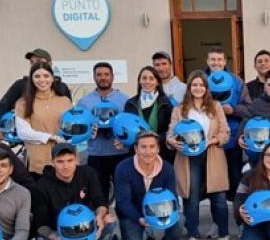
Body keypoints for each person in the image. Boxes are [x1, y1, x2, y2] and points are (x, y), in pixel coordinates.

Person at [166, 71, 232, 240]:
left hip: (212, 155)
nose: (198, 88)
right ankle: (193, 237)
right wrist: (171, 141)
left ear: (206, 88)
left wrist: (210, 142)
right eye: (194, 84)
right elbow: (170, 134)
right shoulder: (179, 109)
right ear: (189, 87)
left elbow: (225, 133)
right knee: (191, 199)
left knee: (219, 198)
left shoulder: (216, 107)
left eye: (201, 85)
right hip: (188, 158)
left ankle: (223, 236)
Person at [32, 143, 117, 240]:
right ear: (52, 162)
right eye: (60, 162)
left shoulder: (88, 173)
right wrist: (55, 237)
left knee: (110, 220)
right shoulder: (41, 185)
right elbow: (40, 224)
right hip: (57, 231)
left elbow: (99, 200)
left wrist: (100, 217)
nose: (65, 166)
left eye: (70, 160)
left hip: (83, 225)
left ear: (77, 160)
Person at [109, 131, 183, 240]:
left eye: (152, 146)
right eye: (143, 147)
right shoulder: (123, 168)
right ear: (136, 149)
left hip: (158, 212)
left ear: (158, 148)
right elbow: (123, 202)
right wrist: (140, 219)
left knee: (179, 220)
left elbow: (172, 197)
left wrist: (164, 215)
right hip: (132, 215)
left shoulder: (167, 168)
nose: (148, 152)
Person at [76, 62, 129, 200]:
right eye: (99, 75)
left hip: (121, 154)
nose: (103, 77)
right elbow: (79, 129)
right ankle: (102, 221)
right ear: (94, 77)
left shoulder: (125, 100)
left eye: (106, 74)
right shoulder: (84, 102)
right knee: (98, 196)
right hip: (96, 155)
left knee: (123, 195)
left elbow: (130, 127)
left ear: (112, 77)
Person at [204, 46, 252, 201]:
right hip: (209, 140)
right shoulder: (200, 81)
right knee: (213, 183)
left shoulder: (237, 81)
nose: (216, 63)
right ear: (207, 61)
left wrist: (233, 110)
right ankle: (218, 220)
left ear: (224, 61)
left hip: (232, 139)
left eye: (219, 59)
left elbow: (249, 109)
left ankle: (239, 215)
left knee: (235, 178)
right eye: (213, 59)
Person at [0, 48, 71, 136]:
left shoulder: (62, 88)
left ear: (50, 64)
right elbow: (2, 106)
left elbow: (69, 116)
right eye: (32, 62)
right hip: (30, 141)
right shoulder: (21, 85)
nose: (35, 64)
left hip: (59, 142)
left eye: (39, 61)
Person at [14, 62, 71, 177]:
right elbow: (23, 132)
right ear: (32, 79)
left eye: (46, 76)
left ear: (52, 78)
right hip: (39, 164)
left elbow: (72, 127)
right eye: (37, 76)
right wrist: (51, 137)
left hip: (65, 161)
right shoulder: (23, 103)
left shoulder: (65, 101)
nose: (42, 80)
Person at [124, 66, 175, 164]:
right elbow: (126, 127)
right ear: (139, 81)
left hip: (161, 152)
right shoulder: (130, 103)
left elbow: (171, 129)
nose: (147, 81)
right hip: (136, 153)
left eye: (151, 78)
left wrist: (155, 139)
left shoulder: (165, 103)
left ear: (157, 82)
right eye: (144, 78)